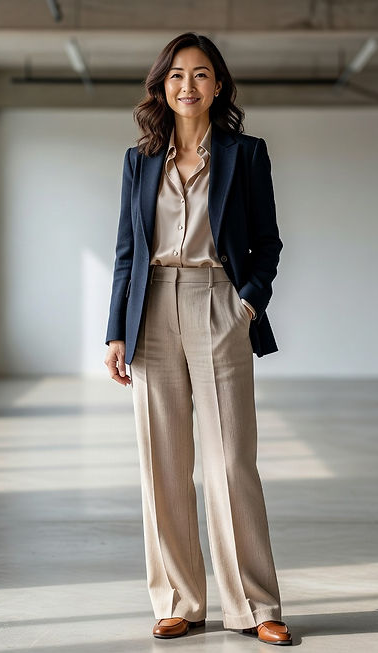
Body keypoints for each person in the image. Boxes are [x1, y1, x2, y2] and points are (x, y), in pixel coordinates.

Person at [103, 32, 290, 646]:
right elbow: (127, 252)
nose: (188, 85)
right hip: (150, 308)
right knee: (162, 464)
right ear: (162, 86)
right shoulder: (139, 161)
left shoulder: (247, 154)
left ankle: (256, 606)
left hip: (218, 302)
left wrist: (246, 304)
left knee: (231, 461)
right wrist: (115, 333)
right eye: (177, 75)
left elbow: (268, 243)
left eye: (201, 74)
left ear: (218, 85)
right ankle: (178, 601)